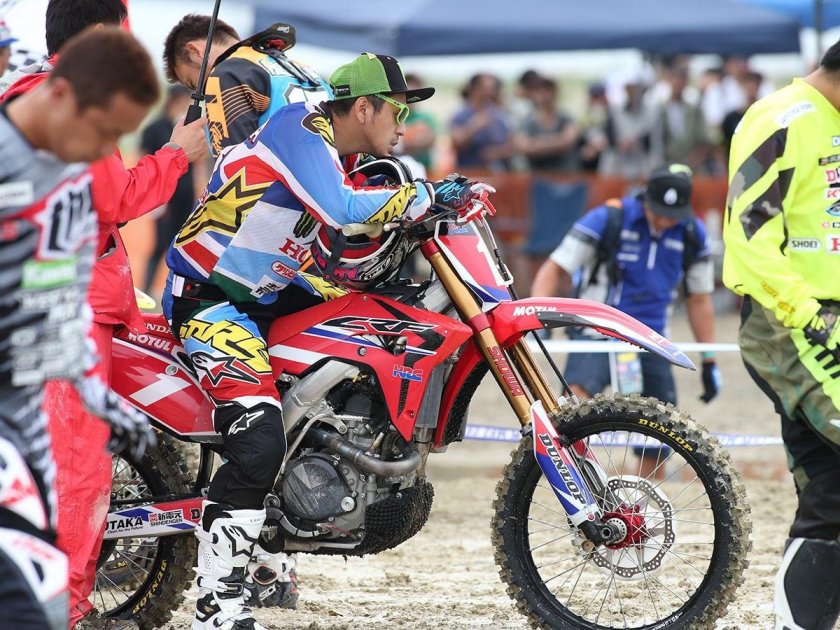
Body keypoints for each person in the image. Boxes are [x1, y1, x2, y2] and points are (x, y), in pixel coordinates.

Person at [162, 52, 488, 630]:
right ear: (362, 109)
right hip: (210, 297)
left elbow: (344, 240)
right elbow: (342, 210)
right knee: (260, 437)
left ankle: (289, 524)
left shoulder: (345, 153)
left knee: (369, 334)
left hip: (269, 292)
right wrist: (429, 195)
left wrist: (423, 211)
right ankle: (216, 609)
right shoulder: (302, 127)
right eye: (396, 110)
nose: (404, 124)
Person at [0, 2, 208, 627]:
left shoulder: (39, 96)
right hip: (61, 313)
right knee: (72, 472)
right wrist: (176, 154)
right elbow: (113, 199)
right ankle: (61, 613)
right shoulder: (60, 102)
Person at [163, 12, 336, 609]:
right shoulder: (298, 70)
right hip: (229, 286)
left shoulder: (230, 69)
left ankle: (268, 560)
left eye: (190, 84)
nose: (198, 98)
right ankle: (228, 594)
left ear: (195, 52)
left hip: (255, 273)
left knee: (310, 408)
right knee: (265, 432)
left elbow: (236, 159)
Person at [722, 39, 840, 630]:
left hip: (826, 316)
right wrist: (810, 315)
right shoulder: (780, 118)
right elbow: (748, 234)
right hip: (789, 318)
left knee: (830, 485)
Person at [531, 163, 722, 477]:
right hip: (596, 332)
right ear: (644, 199)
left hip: (653, 340)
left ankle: (640, 494)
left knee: (663, 429)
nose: (664, 221)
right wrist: (539, 322)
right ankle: (575, 482)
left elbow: (699, 299)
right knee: (571, 408)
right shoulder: (608, 218)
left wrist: (710, 360)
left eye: (672, 215)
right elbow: (555, 268)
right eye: (658, 212)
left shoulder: (693, 234)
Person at [164, 14, 331, 157]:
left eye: (194, 83)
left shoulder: (227, 74)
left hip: (280, 182)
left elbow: (233, 170)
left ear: (194, 51)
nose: (202, 91)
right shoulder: (306, 72)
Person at [140, 84, 196, 294]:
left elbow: (198, 165)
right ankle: (147, 289)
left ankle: (174, 292)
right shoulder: (154, 128)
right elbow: (144, 161)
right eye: (184, 101)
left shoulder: (188, 131)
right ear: (175, 100)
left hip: (185, 194)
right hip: (163, 197)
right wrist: (152, 198)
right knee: (160, 244)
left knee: (182, 245)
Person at [450, 72, 514, 171]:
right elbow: (456, 144)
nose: (489, 93)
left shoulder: (499, 114)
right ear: (473, 89)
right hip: (470, 172)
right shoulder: (460, 115)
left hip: (498, 172)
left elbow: (511, 144)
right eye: (485, 89)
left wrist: (497, 153)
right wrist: (473, 127)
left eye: (492, 89)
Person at [515, 76, 580, 172]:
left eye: (547, 90)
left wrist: (535, 143)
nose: (544, 95)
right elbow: (523, 147)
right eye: (539, 91)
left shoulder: (567, 118)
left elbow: (567, 142)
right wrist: (557, 141)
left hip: (566, 174)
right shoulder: (527, 121)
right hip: (538, 175)